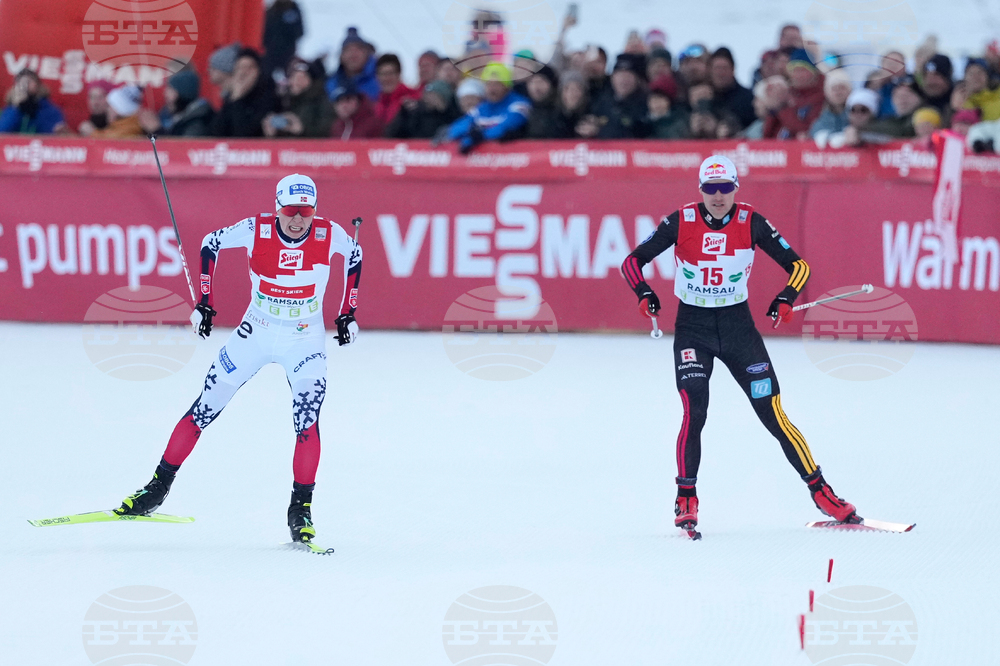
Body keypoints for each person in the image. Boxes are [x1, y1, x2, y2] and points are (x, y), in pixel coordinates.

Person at [114, 174, 363, 547]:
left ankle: (301, 510)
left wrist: (348, 311)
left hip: (304, 338)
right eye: (290, 211)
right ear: (277, 207)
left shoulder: (330, 234)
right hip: (256, 331)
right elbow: (210, 243)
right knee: (204, 409)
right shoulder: (256, 228)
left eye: (305, 212)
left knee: (307, 421)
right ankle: (156, 488)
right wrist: (205, 300)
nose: (298, 220)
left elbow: (356, 256)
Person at [619, 155, 859, 533]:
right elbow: (633, 262)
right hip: (693, 329)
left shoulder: (751, 221)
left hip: (738, 331)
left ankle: (822, 491)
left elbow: (799, 266)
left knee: (774, 413)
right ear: (701, 190)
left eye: (725, 188)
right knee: (694, 410)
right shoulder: (681, 220)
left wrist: (786, 298)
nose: (718, 196)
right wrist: (643, 292)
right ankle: (686, 499)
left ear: (735, 188)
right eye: (711, 188)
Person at [444, 62, 530, 154]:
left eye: (497, 84)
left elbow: (506, 127)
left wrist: (479, 136)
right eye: (488, 84)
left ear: (507, 87)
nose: (492, 89)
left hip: (512, 158)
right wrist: (449, 132)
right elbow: (463, 124)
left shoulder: (519, 104)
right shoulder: (482, 107)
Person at [211, 48, 279, 137]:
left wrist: (238, 100)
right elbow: (216, 132)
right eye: (240, 68)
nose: (244, 72)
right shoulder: (232, 96)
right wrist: (235, 97)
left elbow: (244, 133)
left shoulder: (269, 98)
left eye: (249, 68)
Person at [264, 57, 333, 138]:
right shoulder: (278, 101)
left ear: (311, 81)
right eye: (295, 76)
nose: (298, 80)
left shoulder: (320, 101)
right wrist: (269, 133)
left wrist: (302, 130)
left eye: (303, 77)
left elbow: (326, 130)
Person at [765, 49, 825, 139]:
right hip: (780, 149)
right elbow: (767, 134)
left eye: (803, 70)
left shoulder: (822, 96)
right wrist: (773, 107)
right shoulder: (789, 92)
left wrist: (783, 108)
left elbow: (806, 130)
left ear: (814, 72)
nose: (798, 75)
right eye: (794, 70)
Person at [139, 68, 214, 137]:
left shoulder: (197, 120)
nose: (165, 94)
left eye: (170, 89)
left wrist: (157, 130)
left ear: (182, 93)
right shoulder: (170, 114)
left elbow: (184, 147)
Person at [591, 53, 648, 138]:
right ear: (612, 78)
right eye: (620, 75)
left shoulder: (645, 104)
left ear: (637, 80)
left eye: (628, 76)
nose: (623, 80)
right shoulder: (600, 102)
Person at [387, 80, 460, 139]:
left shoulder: (452, 117)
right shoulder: (415, 113)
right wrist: (403, 114)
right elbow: (391, 135)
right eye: (427, 94)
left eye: (433, 95)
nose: (428, 98)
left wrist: (441, 112)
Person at [0, 69, 67, 134]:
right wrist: (16, 107)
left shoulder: (50, 109)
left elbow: (54, 133)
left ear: (38, 85)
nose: (25, 85)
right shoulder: (9, 109)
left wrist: (34, 111)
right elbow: (3, 130)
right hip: (14, 145)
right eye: (21, 82)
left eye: (29, 81)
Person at [822, 88, 890, 148]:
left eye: (863, 110)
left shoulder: (885, 127)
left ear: (872, 114)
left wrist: (860, 136)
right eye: (853, 110)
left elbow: (887, 139)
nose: (858, 114)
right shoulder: (841, 126)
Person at [326, 27, 379, 102]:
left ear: (367, 54)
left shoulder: (381, 78)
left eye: (358, 49)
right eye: (348, 50)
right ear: (341, 56)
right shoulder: (332, 83)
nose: (353, 54)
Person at [709, 47, 755, 130]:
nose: (720, 73)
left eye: (724, 68)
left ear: (733, 69)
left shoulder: (749, 99)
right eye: (717, 68)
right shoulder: (706, 98)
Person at [262, 0, 305, 79]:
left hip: (287, 56)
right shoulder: (270, 11)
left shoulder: (294, 11)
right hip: (269, 56)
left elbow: (300, 32)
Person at [373, 53, 419, 126]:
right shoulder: (375, 104)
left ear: (399, 74)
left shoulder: (414, 98)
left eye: (390, 73)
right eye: (383, 74)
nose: (386, 78)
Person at [809, 69, 852, 139]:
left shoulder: (857, 111)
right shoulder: (823, 114)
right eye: (834, 89)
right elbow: (814, 132)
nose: (838, 93)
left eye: (842, 88)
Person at [525, 65, 561, 138]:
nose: (536, 87)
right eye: (532, 82)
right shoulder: (523, 107)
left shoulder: (560, 109)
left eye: (540, 82)